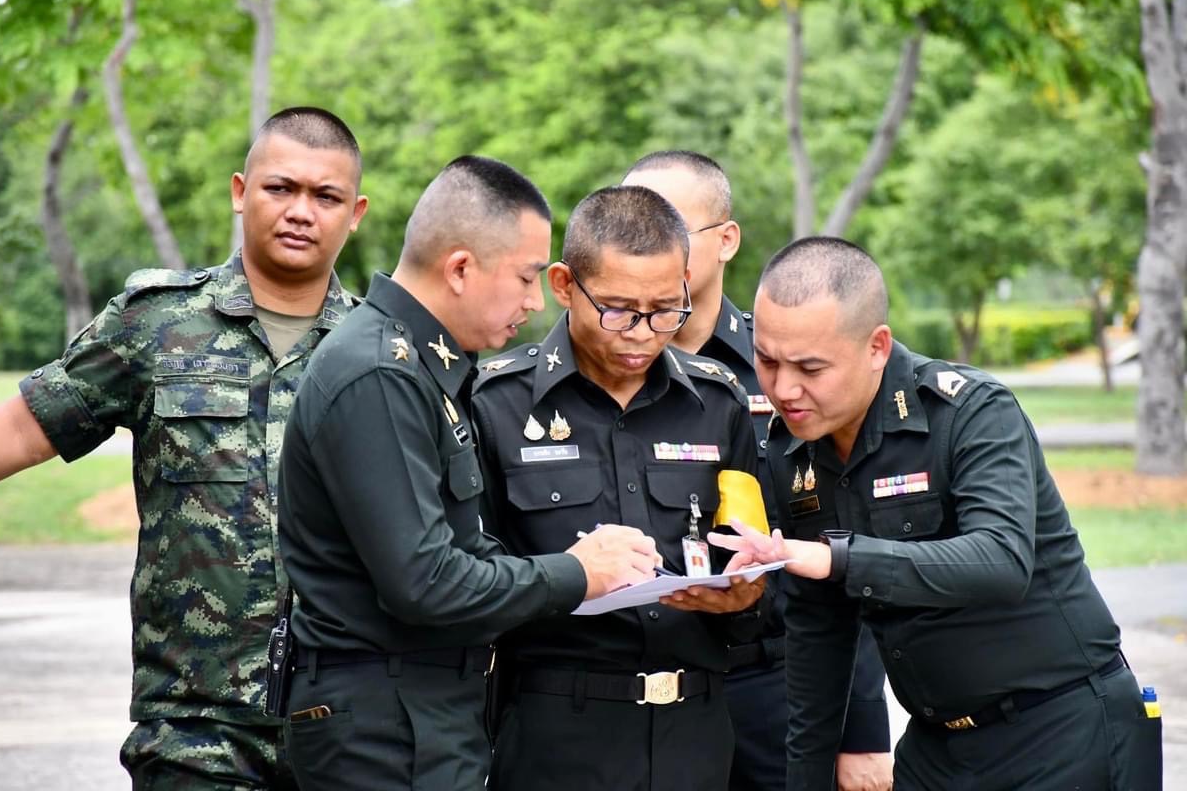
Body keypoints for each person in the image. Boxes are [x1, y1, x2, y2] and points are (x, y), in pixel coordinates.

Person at [0, 106, 369, 788]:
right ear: (239, 192)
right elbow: (19, 430)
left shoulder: (379, 351)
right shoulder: (155, 325)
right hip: (195, 735)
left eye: (326, 195)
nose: (301, 211)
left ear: (356, 212)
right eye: (281, 188)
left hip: (350, 730)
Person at [275, 157, 660, 791]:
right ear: (460, 268)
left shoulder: (429, 368)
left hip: (419, 713)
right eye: (527, 278)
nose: (536, 302)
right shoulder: (381, 374)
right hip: (387, 726)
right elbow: (425, 582)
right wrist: (578, 572)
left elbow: (462, 548)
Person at [710, 236, 1151, 790]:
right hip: (936, 749)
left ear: (876, 346)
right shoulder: (791, 451)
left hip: (1061, 732)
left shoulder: (972, 412)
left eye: (811, 368)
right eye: (767, 360)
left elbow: (1001, 560)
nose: (783, 388)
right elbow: (819, 633)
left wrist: (840, 559)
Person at [472, 184, 763, 791]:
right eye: (619, 309)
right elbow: (470, 578)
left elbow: (758, 565)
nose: (642, 331)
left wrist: (745, 600)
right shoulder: (494, 404)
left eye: (664, 309)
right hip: (556, 733)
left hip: (696, 734)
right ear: (563, 285)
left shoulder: (719, 405)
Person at [622, 151, 893, 791]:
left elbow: (850, 548)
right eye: (633, 226)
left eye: (669, 228)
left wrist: (862, 731)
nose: (647, 247)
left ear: (726, 241)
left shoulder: (789, 368)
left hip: (778, 685)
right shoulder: (585, 377)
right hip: (632, 695)